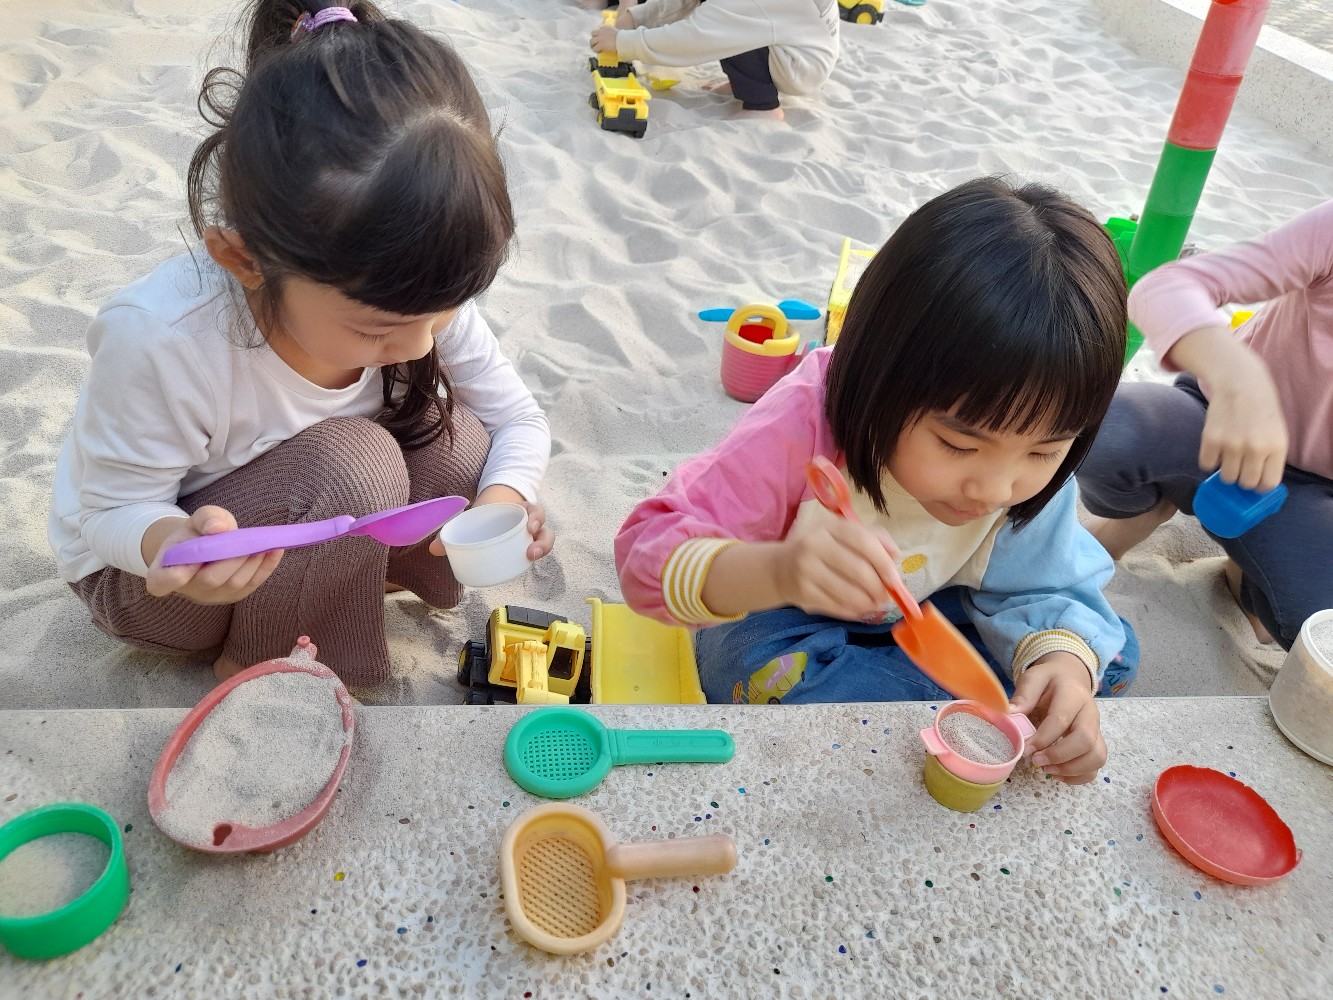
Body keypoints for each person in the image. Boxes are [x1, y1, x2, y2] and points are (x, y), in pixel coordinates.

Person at [48, 1, 553, 687]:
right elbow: (106, 513)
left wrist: (505, 502)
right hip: (160, 585)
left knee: (462, 444)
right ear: (243, 259)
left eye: (440, 314)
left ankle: (342, 588)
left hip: (300, 518)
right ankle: (267, 668)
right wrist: (175, 544)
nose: (414, 346)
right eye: (376, 328)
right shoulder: (164, 337)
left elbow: (517, 418)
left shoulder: (405, 293)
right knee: (355, 461)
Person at [616, 177, 1138, 784]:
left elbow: (1044, 584)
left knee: (1101, 658)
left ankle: (936, 697)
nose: (996, 489)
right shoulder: (803, 424)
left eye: (1045, 451)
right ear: (879, 377)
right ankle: (940, 702)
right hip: (789, 610)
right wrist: (778, 570)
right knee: (761, 668)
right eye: (959, 445)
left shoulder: (1021, 462)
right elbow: (645, 559)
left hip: (933, 604)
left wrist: (1062, 665)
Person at [1078, 201, 1333, 651]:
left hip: (1312, 495)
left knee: (1312, 631)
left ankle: (1245, 579)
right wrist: (1240, 379)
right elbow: (1163, 288)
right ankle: (1146, 508)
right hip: (1213, 419)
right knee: (1104, 432)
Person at [590, 0, 840, 121]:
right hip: (795, 40)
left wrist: (623, 42)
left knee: (727, 29)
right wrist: (637, 17)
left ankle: (763, 108)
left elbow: (693, 37)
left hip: (801, 65)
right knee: (730, 24)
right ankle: (743, 82)